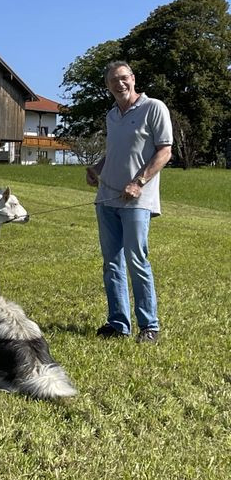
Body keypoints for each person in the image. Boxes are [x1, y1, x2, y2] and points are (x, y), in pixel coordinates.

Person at [86, 60, 172, 343]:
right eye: (113, 81)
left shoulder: (154, 108)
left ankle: (149, 326)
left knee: (137, 261)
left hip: (137, 200)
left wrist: (139, 182)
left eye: (123, 78)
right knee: (111, 263)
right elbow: (114, 153)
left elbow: (164, 152)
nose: (119, 84)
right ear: (108, 86)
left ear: (133, 79)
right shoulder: (112, 115)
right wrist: (96, 169)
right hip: (107, 199)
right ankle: (118, 324)